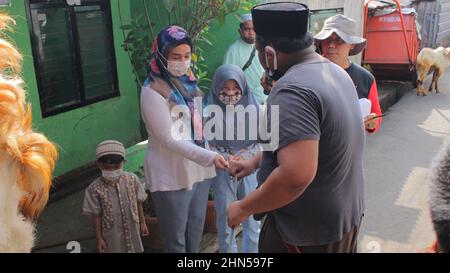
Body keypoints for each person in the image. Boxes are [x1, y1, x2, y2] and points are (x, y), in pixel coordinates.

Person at [227, 2, 366, 253]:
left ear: (269, 53)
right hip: (343, 219)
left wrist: (243, 207)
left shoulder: (293, 90)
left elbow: (294, 176)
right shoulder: (335, 72)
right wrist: (255, 162)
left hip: (307, 235)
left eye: (258, 52)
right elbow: (307, 143)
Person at [140, 25, 228, 253]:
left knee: (194, 233)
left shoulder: (189, 83)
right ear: (161, 55)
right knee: (176, 242)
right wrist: (211, 156)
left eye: (187, 56)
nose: (183, 61)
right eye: (175, 56)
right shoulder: (152, 91)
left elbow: (200, 125)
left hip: (199, 171)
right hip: (171, 175)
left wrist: (221, 148)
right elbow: (170, 139)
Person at [205, 64, 261, 253]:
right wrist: (226, 158)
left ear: (243, 88)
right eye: (224, 89)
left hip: (250, 168)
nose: (230, 93)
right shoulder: (208, 111)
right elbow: (205, 144)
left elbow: (263, 143)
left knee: (253, 222)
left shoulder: (254, 109)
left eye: (235, 88)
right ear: (216, 89)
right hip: (222, 169)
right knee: (225, 222)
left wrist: (246, 157)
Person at [314, 14, 382, 133]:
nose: (331, 45)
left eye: (339, 40)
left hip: (349, 148)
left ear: (352, 44)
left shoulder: (365, 79)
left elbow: (376, 115)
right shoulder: (309, 72)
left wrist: (372, 122)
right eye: (327, 39)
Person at [83, 140, 149, 253]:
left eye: (116, 166)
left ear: (124, 162)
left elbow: (138, 202)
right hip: (111, 235)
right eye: (106, 167)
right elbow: (96, 216)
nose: (112, 171)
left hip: (133, 229)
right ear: (98, 164)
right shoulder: (94, 189)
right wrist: (99, 238)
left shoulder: (132, 180)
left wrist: (142, 223)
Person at [223, 14, 267, 104]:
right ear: (240, 31)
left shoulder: (263, 46)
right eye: (246, 29)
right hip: (246, 102)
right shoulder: (233, 50)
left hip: (265, 98)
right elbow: (227, 78)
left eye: (254, 29)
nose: (251, 32)